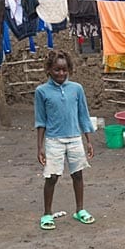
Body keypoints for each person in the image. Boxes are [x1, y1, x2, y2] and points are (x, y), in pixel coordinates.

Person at [35, 49, 96, 230]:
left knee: (78, 174)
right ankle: (47, 214)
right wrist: (40, 147)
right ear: (49, 70)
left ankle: (80, 210)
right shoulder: (42, 91)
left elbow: (83, 116)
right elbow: (40, 121)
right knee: (52, 177)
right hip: (54, 141)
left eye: (64, 70)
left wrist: (89, 140)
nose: (61, 73)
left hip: (75, 138)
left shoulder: (76, 89)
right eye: (56, 70)